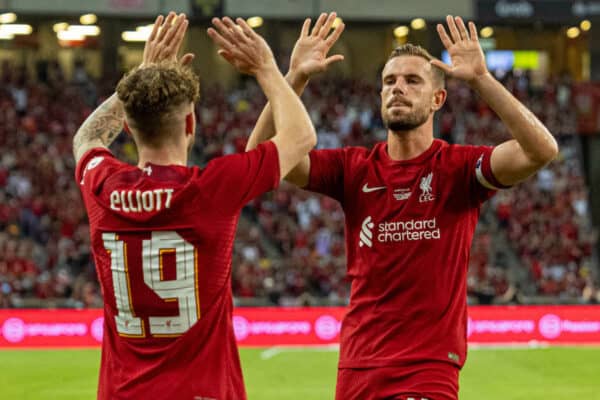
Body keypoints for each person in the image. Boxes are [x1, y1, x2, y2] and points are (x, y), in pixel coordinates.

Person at [236, 14, 559, 400]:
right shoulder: (353, 168)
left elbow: (542, 150)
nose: (397, 89)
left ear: (438, 98)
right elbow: (257, 158)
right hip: (357, 367)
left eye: (412, 80)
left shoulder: (458, 169)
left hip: (427, 369)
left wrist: (480, 80)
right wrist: (295, 78)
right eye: (389, 82)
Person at [73, 12, 316, 400]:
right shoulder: (212, 188)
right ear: (191, 125)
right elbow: (301, 136)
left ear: (130, 127)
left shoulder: (102, 186)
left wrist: (140, 78)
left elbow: (86, 137)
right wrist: (268, 69)